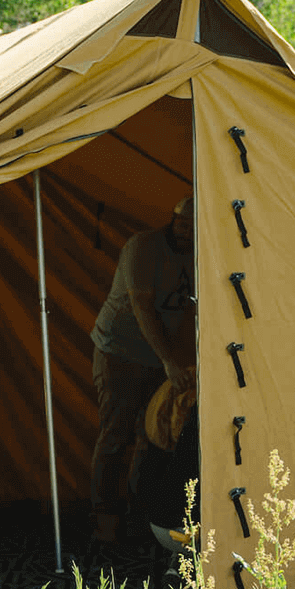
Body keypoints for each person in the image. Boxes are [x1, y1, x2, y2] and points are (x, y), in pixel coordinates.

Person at [89, 195, 195, 543]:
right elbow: (142, 306)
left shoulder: (202, 251)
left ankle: (141, 515)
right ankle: (105, 521)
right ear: (172, 219)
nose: (185, 231)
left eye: (192, 226)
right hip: (120, 351)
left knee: (154, 437)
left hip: (163, 359)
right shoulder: (143, 246)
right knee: (115, 434)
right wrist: (168, 360)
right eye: (180, 223)